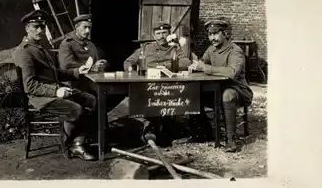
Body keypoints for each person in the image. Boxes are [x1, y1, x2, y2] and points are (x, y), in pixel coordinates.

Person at [12, 9, 97, 161]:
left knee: (90, 99)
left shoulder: (39, 48)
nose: (40, 31)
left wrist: (78, 71)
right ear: (27, 29)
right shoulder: (24, 52)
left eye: (42, 27)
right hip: (41, 97)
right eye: (36, 27)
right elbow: (30, 86)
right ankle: (74, 145)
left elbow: (55, 74)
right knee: (76, 109)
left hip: (54, 90)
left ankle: (79, 140)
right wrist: (56, 91)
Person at [107, 22, 191, 142]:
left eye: (164, 33)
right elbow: (128, 62)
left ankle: (155, 128)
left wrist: (164, 67)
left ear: (169, 34)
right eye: (158, 33)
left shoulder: (175, 48)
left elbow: (186, 63)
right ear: (154, 35)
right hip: (144, 88)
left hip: (166, 90)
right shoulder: (146, 48)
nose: (161, 36)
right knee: (116, 115)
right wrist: (135, 74)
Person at [188, 18, 254, 152]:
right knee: (192, 93)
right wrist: (194, 66)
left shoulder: (235, 51)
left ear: (225, 34)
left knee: (227, 95)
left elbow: (232, 73)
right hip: (216, 89)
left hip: (238, 89)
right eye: (210, 34)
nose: (212, 38)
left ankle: (231, 140)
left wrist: (205, 68)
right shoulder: (211, 49)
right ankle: (205, 132)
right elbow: (202, 62)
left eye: (215, 34)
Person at [58, 14, 108, 94]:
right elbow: (66, 66)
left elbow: (95, 63)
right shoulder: (67, 44)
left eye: (89, 28)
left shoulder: (91, 45)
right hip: (75, 83)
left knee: (108, 92)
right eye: (85, 27)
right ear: (76, 27)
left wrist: (100, 65)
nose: (88, 31)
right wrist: (91, 67)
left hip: (91, 81)